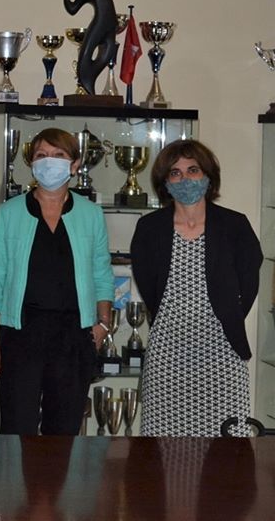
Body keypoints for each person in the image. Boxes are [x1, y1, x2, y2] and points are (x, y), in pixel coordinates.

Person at [0, 128, 114, 435]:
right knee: (16, 430)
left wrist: (103, 324)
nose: (49, 162)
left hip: (74, 336)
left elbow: (102, 272)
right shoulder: (10, 213)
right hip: (20, 334)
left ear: (74, 164)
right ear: (32, 163)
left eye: (58, 155)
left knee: (64, 433)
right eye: (41, 155)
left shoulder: (91, 214)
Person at [130, 139, 262, 437]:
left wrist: (226, 316)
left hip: (222, 353)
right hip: (167, 354)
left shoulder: (235, 226)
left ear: (208, 176)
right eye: (175, 173)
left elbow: (249, 284)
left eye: (193, 170)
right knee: (164, 450)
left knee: (226, 450)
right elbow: (149, 287)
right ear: (165, 182)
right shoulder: (150, 228)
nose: (185, 179)